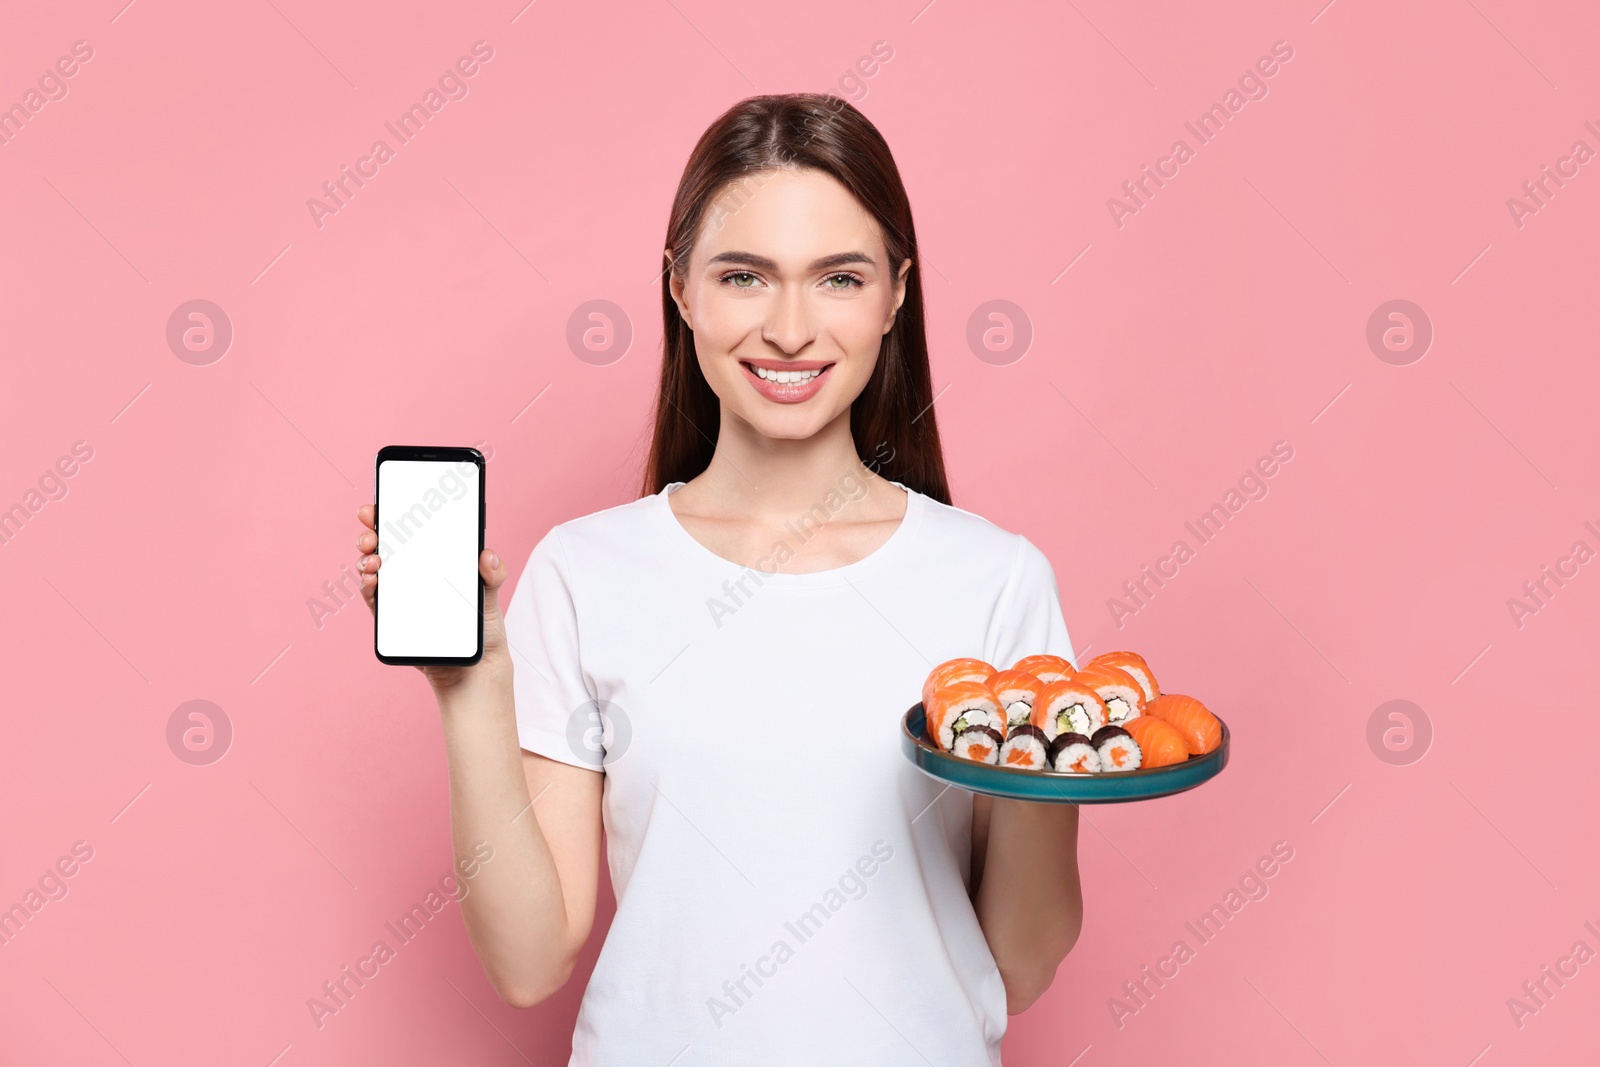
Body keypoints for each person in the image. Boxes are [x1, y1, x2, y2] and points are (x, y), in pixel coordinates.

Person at [354, 92, 1083, 1065]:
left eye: (838, 277)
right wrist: (472, 688)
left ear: (895, 294)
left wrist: (1056, 758)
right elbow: (529, 960)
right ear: (681, 288)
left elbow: (1022, 962)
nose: (789, 328)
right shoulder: (583, 571)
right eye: (744, 275)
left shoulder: (995, 582)